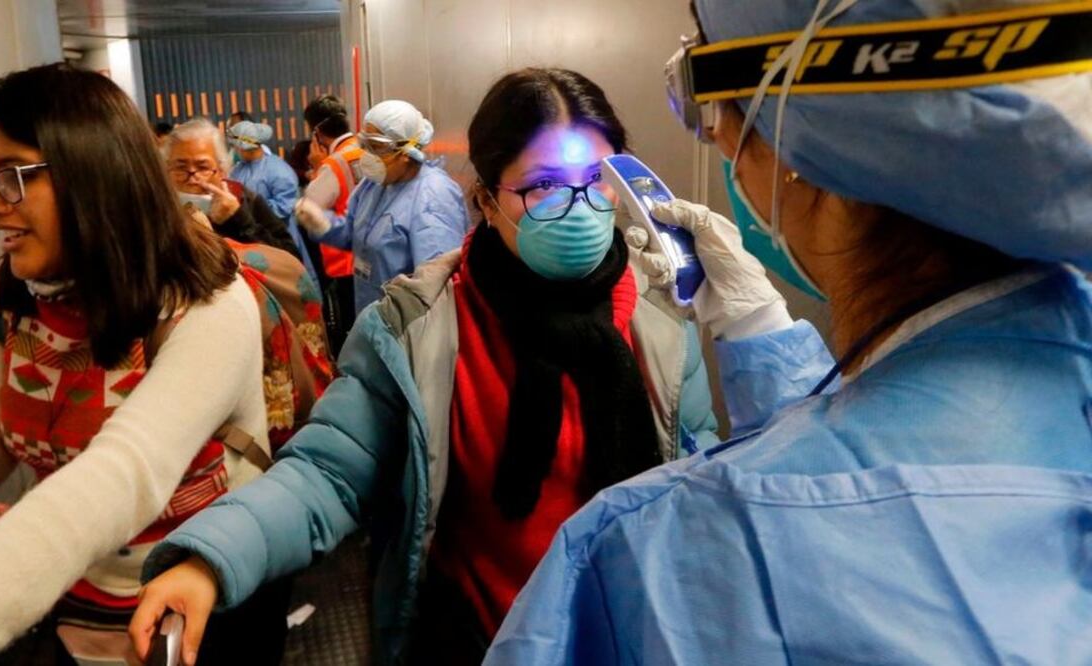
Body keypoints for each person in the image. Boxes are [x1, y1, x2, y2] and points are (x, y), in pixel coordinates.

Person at [487, 0, 1092, 663]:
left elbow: (814, 497)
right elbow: (867, 472)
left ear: (806, 151)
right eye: (543, 188)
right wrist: (760, 331)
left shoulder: (649, 555)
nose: (719, 139)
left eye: (713, 107)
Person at [130, 67, 722, 665]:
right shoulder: (416, 328)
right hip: (475, 638)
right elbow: (327, 472)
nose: (580, 207)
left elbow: (699, 475)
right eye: (543, 185)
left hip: (624, 636)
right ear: (486, 200)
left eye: (598, 179)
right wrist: (209, 557)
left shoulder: (659, 318)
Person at [0, 64, 296, 666]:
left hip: (199, 596)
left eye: (12, 175)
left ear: (92, 175)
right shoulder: (7, 293)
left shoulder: (207, 303)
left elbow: (124, 473)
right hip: (81, 595)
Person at [295, 100, 470, 315]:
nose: (367, 155)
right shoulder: (374, 185)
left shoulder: (432, 199)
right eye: (365, 144)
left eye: (376, 147)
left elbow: (436, 289)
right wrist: (324, 225)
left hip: (409, 329)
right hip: (373, 316)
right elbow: (356, 236)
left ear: (406, 153)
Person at [162, 117, 301, 259]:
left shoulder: (242, 198)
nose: (192, 177)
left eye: (202, 167)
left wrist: (238, 219)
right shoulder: (157, 207)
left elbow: (291, 257)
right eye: (180, 167)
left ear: (222, 170)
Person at [303, 110, 363, 354]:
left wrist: (317, 167)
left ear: (317, 134)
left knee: (348, 330)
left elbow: (308, 207)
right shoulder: (364, 149)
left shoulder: (333, 163)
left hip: (343, 262)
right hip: (369, 259)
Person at [228, 120, 308, 258]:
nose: (234, 150)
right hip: (249, 238)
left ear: (245, 147)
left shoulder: (279, 170)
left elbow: (283, 208)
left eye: (235, 146)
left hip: (276, 240)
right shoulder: (237, 170)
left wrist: (250, 211)